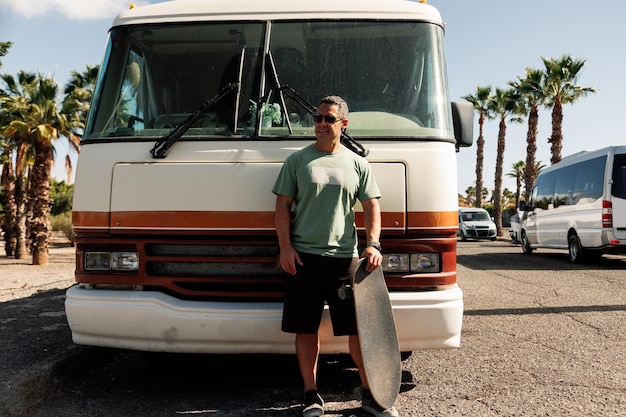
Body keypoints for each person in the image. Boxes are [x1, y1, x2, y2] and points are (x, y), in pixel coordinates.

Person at [272, 95, 399, 417]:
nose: (321, 125)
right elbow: (282, 207)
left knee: (357, 330)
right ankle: (311, 394)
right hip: (302, 259)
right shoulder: (297, 161)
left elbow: (372, 206)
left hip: (344, 259)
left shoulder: (357, 163)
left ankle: (372, 394)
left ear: (343, 124)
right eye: (317, 118)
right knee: (306, 328)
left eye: (329, 119)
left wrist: (373, 244)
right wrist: (286, 248)